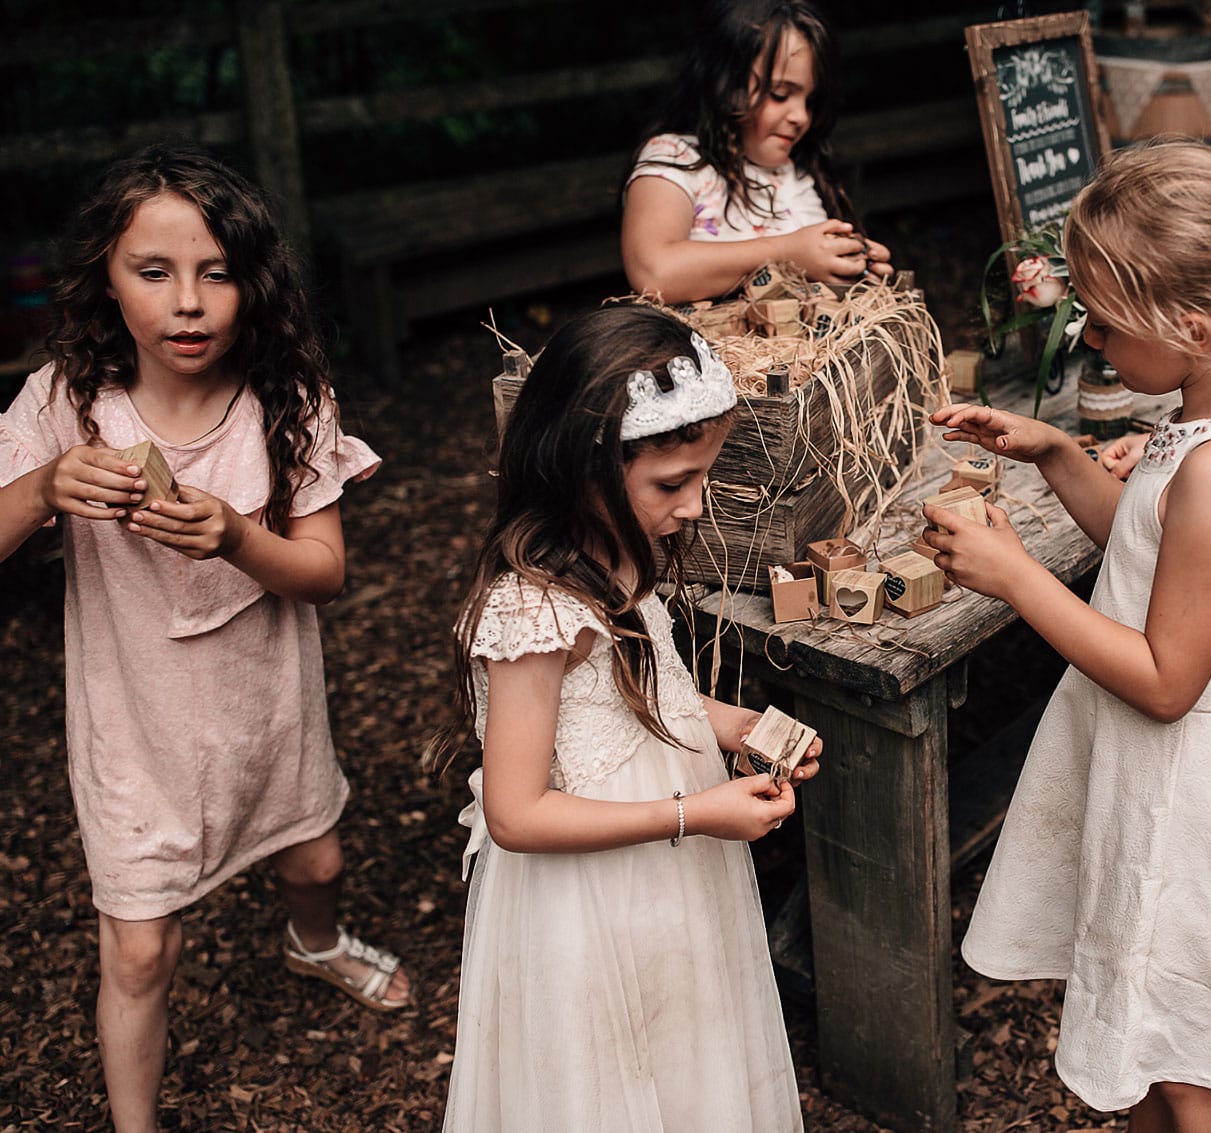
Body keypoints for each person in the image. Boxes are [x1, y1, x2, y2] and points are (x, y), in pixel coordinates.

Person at [926, 140, 1211, 1132]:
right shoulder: (1209, 414)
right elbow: (1154, 563)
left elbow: (1166, 674)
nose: (1090, 340)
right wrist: (1059, 453)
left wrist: (1013, 574)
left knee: (1194, 1074)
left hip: (1191, 804)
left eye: (1105, 324)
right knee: (1152, 1045)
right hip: (1154, 780)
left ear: (1190, 323)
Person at [0, 143, 408, 1133]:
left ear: (252, 281)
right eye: (155, 272)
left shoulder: (289, 402)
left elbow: (325, 570)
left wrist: (236, 536)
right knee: (140, 949)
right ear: (107, 277)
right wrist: (45, 488)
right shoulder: (65, 404)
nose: (189, 302)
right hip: (135, 725)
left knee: (312, 863)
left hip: (264, 704)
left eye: (216, 272)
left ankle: (314, 944)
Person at [440, 304, 820, 1132]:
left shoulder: (622, 550)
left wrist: (742, 725)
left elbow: (654, 699)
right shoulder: (533, 607)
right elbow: (515, 811)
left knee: (679, 1044)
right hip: (591, 888)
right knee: (608, 1076)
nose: (694, 505)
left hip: (671, 867)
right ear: (582, 465)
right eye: (671, 483)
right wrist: (694, 812)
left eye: (705, 476)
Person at [621, 0, 893, 302]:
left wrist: (852, 265)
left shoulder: (794, 171)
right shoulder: (674, 158)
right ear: (725, 82)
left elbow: (811, 270)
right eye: (780, 95)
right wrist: (786, 253)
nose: (800, 117)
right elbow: (654, 272)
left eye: (810, 101)